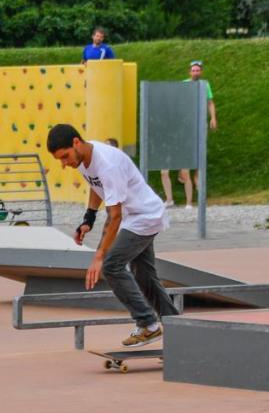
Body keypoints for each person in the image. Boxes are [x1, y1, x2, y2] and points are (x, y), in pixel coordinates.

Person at [47, 124, 177, 347]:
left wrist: (99, 255)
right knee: (145, 276)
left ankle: (148, 324)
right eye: (60, 159)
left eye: (65, 156)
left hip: (144, 216)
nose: (64, 163)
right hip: (133, 216)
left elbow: (114, 216)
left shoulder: (108, 164)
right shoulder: (84, 158)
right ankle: (178, 329)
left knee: (111, 265)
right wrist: (88, 219)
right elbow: (96, 187)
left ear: (76, 142)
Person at [160, 60, 216, 210]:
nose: (196, 72)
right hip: (186, 123)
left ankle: (196, 177)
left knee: (200, 149)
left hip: (200, 122)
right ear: (189, 72)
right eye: (194, 70)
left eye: (198, 70)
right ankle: (184, 173)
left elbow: (210, 102)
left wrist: (213, 118)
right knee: (186, 147)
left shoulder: (205, 84)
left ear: (201, 72)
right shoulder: (184, 84)